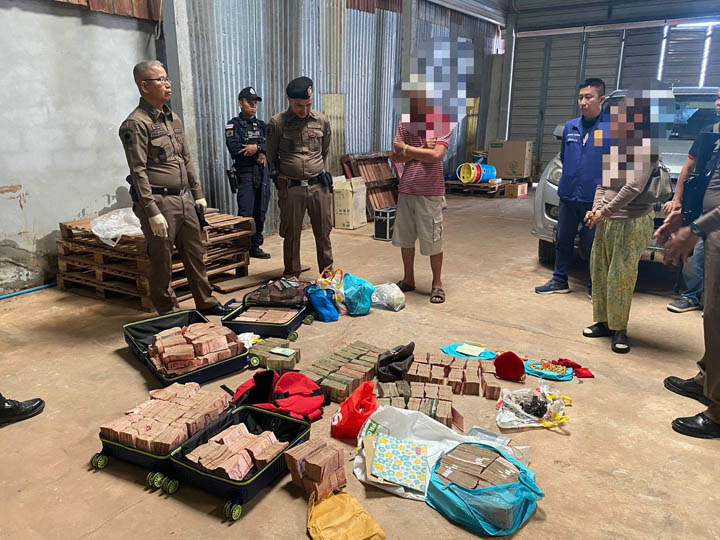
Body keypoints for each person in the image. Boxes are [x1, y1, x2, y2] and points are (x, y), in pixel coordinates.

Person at [119, 60, 231, 316]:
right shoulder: (135, 124)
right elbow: (138, 171)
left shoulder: (173, 119)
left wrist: (198, 194)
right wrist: (151, 211)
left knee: (195, 253)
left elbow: (185, 159)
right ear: (144, 86)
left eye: (167, 78)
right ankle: (168, 310)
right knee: (162, 260)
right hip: (160, 202)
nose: (167, 84)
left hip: (184, 199)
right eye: (160, 80)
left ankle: (206, 301)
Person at [582, 93, 661, 354]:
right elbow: (603, 183)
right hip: (607, 219)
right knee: (600, 271)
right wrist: (596, 210)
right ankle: (603, 322)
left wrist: (604, 211)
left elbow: (633, 188)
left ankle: (620, 329)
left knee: (621, 276)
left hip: (631, 221)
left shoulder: (646, 148)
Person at [659, 113, 720, 439]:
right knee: (712, 313)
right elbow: (705, 179)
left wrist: (694, 230)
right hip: (713, 227)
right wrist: (685, 214)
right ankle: (709, 380)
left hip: (713, 226)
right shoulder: (713, 133)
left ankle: (718, 410)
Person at [535, 78, 607, 297]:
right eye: (580, 97)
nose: (583, 102)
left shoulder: (611, 130)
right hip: (568, 196)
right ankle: (559, 280)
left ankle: (595, 287)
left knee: (592, 245)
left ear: (601, 100)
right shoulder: (570, 127)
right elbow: (566, 158)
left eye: (589, 97)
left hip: (593, 199)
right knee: (563, 240)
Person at [266, 77, 333, 278]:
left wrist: (319, 169)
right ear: (289, 100)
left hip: (318, 186)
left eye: (308, 105)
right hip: (292, 188)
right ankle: (292, 276)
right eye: (299, 106)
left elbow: (325, 150)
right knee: (292, 234)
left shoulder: (321, 121)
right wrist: (281, 179)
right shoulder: (277, 123)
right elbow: (271, 155)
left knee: (324, 232)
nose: (304, 110)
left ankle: (327, 276)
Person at [390, 90, 453, 304]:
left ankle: (437, 284)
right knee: (405, 239)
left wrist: (407, 150)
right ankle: (408, 279)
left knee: (433, 239)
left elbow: (436, 156)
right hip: (407, 189)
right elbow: (395, 156)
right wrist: (421, 149)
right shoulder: (405, 124)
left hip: (430, 192)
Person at [225, 86, 271, 259]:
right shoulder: (234, 125)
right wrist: (258, 151)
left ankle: (255, 246)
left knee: (260, 211)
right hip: (245, 174)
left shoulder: (262, 125)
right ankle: (240, 248)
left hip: (262, 173)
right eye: (250, 102)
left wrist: (258, 148)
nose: (253, 105)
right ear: (240, 103)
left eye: (255, 103)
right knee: (246, 212)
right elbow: (235, 148)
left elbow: (273, 145)